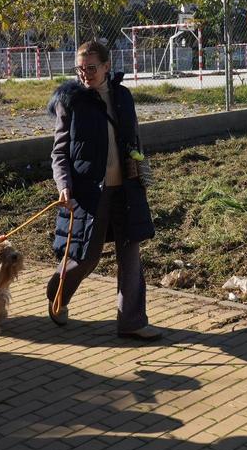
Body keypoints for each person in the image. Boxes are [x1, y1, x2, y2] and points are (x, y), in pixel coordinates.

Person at [45, 40, 161, 341]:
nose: (85, 75)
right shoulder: (70, 101)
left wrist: (140, 169)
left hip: (126, 188)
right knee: (86, 256)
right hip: (88, 192)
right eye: (80, 69)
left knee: (130, 255)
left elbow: (135, 138)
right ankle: (57, 293)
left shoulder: (123, 96)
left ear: (107, 66)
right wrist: (64, 187)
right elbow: (59, 152)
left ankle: (132, 322)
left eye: (91, 68)